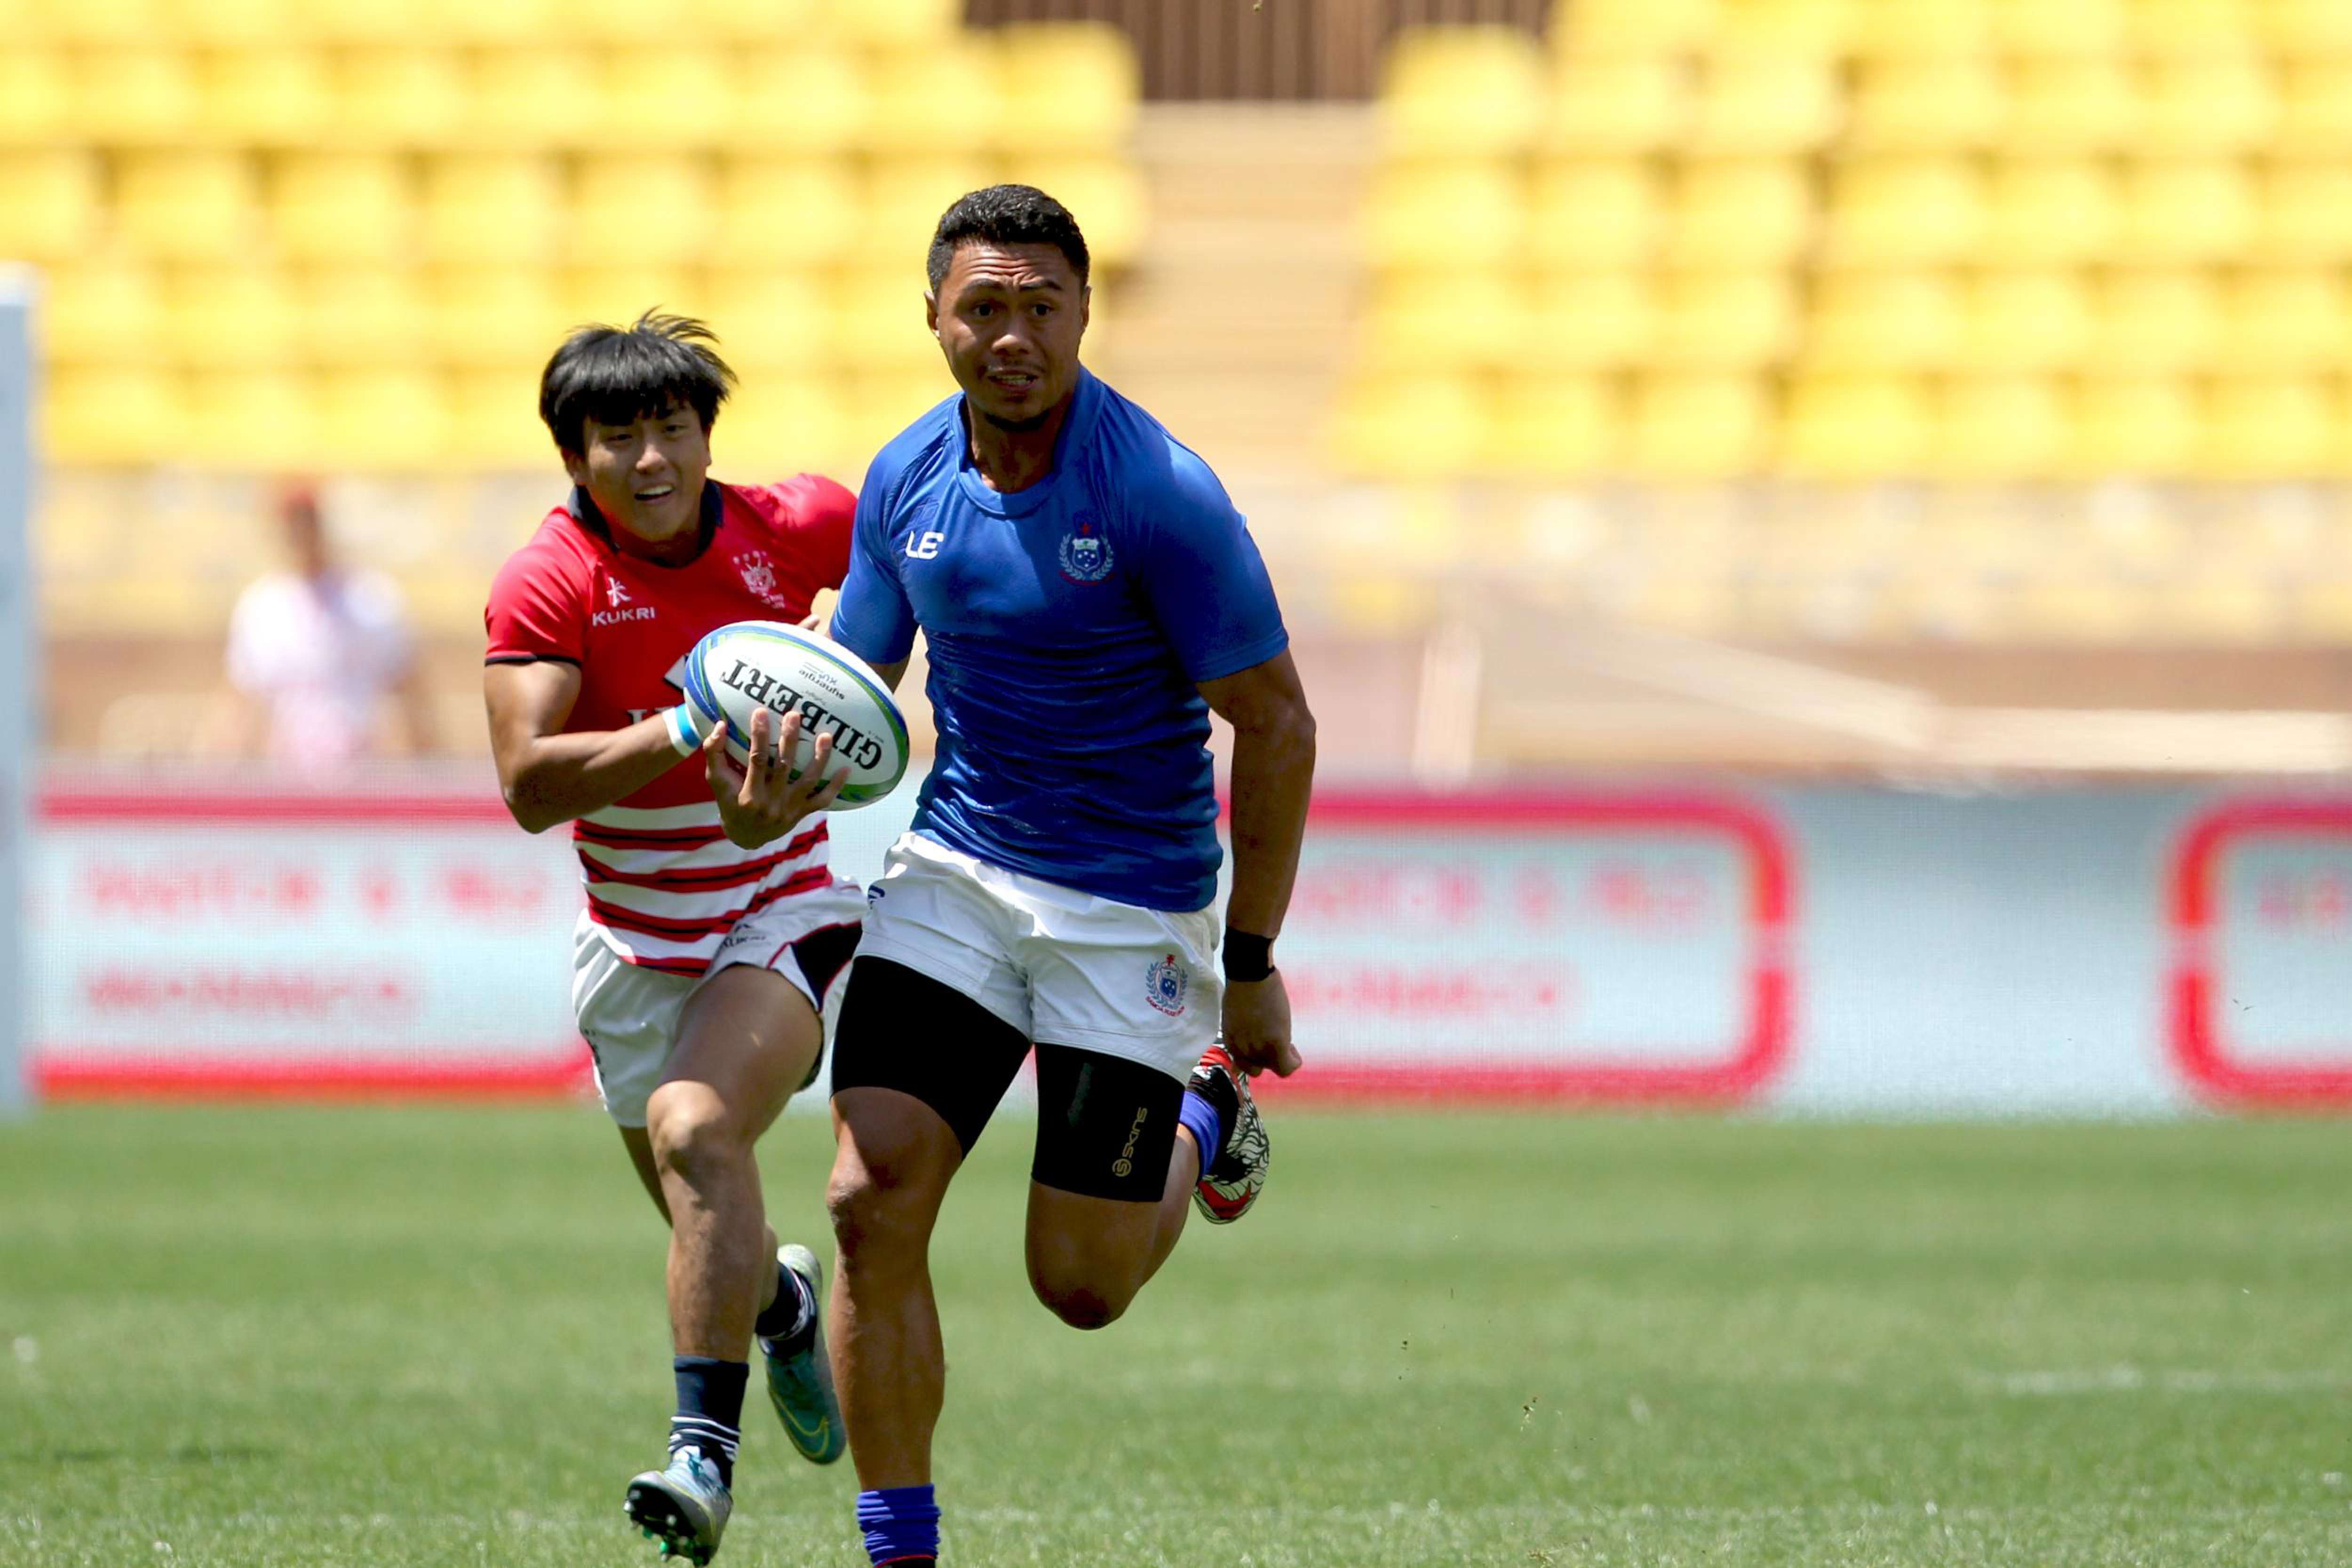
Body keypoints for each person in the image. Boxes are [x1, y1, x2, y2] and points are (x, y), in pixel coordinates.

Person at [821, 186, 1317, 1568]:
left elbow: (1276, 723)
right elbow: (856, 700)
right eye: (984, 307)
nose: (1012, 335)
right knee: (869, 1201)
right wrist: (776, 766)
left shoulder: (1157, 493)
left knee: (1079, 1288)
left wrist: (1252, 963)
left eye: (1042, 307)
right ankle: (897, 1550)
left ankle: (1198, 1122)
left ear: (1085, 317)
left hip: (1127, 906)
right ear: (933, 317)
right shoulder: (904, 479)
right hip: (955, 876)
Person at [481, 312, 865, 1566]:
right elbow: (532, 783)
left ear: (709, 434)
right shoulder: (551, 579)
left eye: (673, 428)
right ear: (575, 459)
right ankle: (786, 1306)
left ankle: (701, 1457)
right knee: (717, 1226)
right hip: (633, 942)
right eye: (618, 437)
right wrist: (695, 715)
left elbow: (906, 589)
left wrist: (838, 702)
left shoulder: (793, 523)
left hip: (784, 905)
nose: (652, 458)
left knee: (697, 1124)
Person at [218, 483, 436, 773]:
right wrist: (223, 773)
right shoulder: (261, 606)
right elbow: (238, 707)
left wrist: (428, 773)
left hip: (362, 779)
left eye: (307, 522)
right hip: (288, 781)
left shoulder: (370, 599)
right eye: (293, 525)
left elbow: (411, 695)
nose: (301, 534)